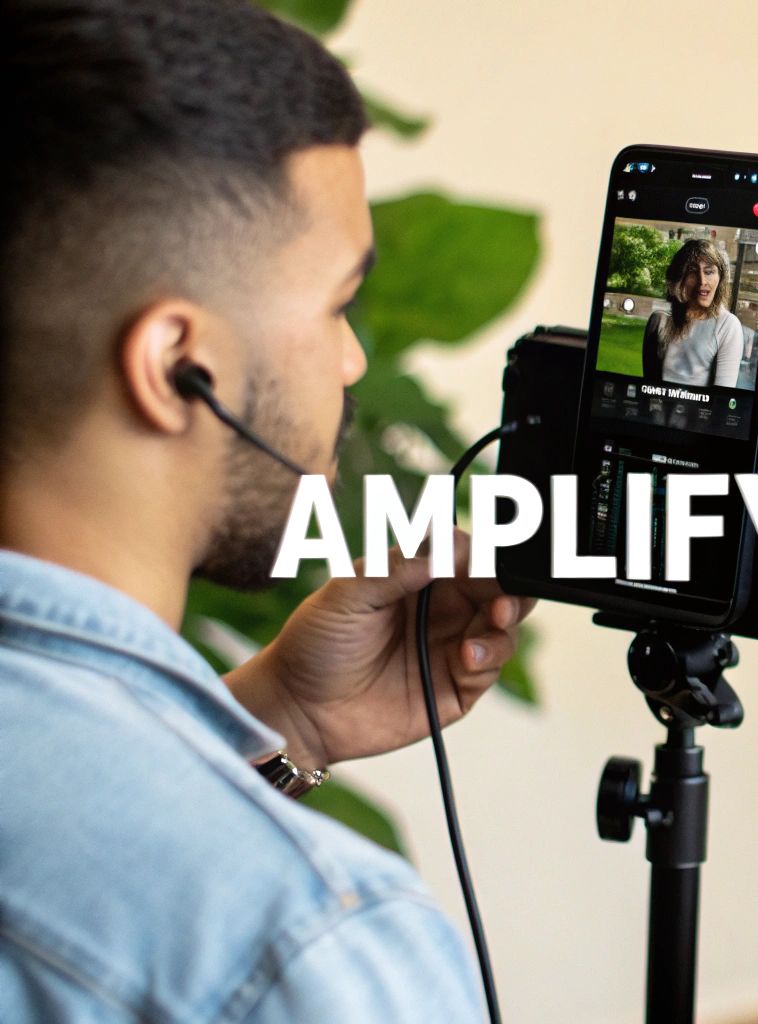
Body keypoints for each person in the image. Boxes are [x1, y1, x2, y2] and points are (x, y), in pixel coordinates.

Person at [0, 1, 531, 1020]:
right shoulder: (302, 940)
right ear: (176, 365)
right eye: (337, 304)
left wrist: (282, 722)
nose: (353, 362)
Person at [641, 238, 744, 387]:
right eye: (693, 272)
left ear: (720, 277)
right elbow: (649, 387)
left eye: (709, 272)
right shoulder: (659, 322)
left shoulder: (728, 325)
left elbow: (722, 396)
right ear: (680, 278)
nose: (702, 281)